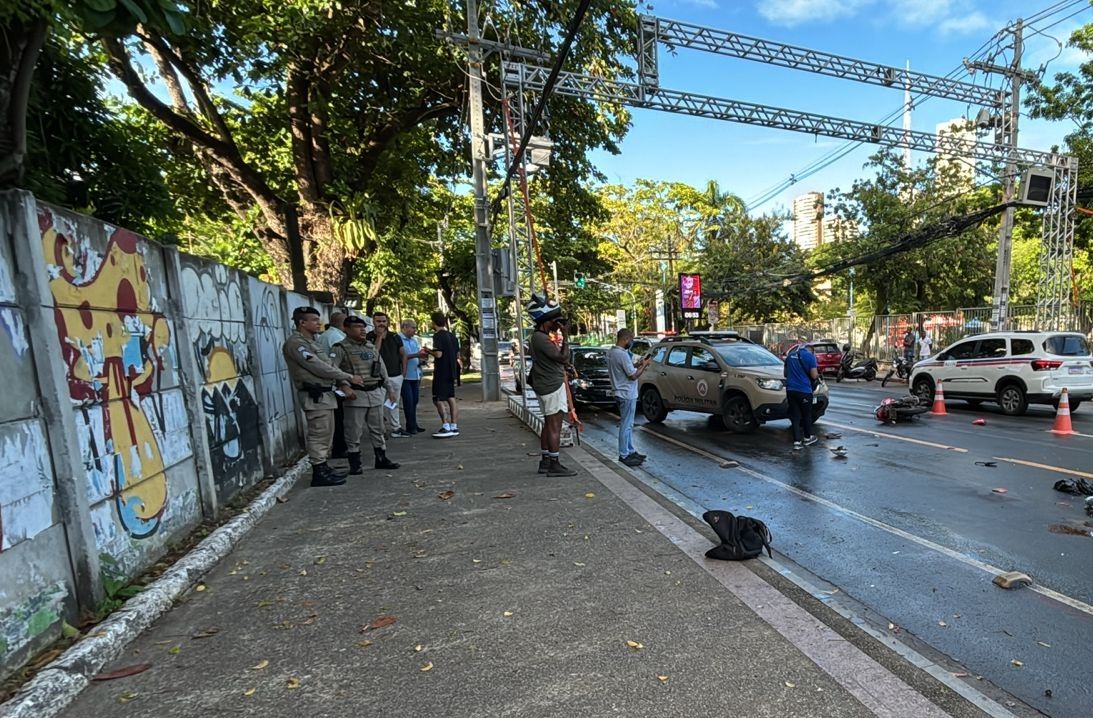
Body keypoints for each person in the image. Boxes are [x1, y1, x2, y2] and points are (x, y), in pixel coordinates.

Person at [282, 307, 364, 487]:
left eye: (318, 319)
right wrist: (348, 377)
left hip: (326, 394)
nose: (318, 323)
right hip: (315, 395)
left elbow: (326, 363)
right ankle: (319, 471)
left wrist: (342, 381)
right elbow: (318, 367)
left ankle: (323, 467)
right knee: (319, 434)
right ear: (302, 323)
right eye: (313, 320)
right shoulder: (297, 344)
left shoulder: (312, 341)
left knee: (327, 433)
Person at [332, 316, 400, 473]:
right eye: (357, 326)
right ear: (346, 329)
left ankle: (381, 458)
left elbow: (381, 369)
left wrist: (389, 389)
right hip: (356, 395)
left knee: (378, 428)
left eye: (363, 327)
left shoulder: (370, 347)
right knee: (353, 430)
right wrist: (343, 385)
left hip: (375, 392)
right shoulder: (340, 348)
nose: (362, 330)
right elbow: (332, 369)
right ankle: (355, 463)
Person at [526, 293, 577, 477]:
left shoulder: (538, 337)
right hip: (552, 385)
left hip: (545, 384)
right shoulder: (541, 338)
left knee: (548, 425)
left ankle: (546, 460)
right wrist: (565, 335)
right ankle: (554, 464)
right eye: (555, 321)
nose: (558, 324)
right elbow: (562, 357)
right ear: (545, 320)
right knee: (554, 426)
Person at [607, 328, 650, 467]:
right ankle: (624, 454)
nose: (631, 342)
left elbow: (626, 368)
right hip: (626, 393)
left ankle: (630, 450)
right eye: (630, 339)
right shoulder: (622, 355)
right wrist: (643, 366)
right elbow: (632, 375)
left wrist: (637, 364)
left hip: (620, 391)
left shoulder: (611, 352)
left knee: (629, 424)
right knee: (626, 425)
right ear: (625, 339)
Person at [369, 312, 407, 438]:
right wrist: (379, 337)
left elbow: (403, 354)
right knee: (378, 405)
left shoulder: (395, 336)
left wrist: (403, 373)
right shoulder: (369, 336)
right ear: (373, 322)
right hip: (378, 377)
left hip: (396, 375)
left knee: (394, 403)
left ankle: (396, 428)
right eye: (378, 321)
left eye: (384, 321)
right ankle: (381, 429)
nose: (381, 324)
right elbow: (374, 353)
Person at [428, 311, 460, 438]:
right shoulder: (452, 336)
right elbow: (457, 354)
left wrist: (429, 351)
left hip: (441, 371)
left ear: (434, 322)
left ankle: (445, 425)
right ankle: (454, 425)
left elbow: (439, 354)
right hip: (452, 370)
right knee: (451, 398)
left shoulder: (437, 336)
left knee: (438, 398)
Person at [784, 339, 819, 451]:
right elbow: (814, 376)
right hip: (804, 390)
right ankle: (808, 438)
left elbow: (785, 373)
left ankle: (796, 442)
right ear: (811, 350)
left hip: (790, 390)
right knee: (806, 415)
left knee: (795, 416)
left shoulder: (790, 356)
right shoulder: (810, 357)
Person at [399, 319, 429, 435]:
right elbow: (402, 356)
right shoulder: (399, 340)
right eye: (413, 328)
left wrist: (421, 359)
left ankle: (414, 423)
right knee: (408, 401)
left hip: (416, 374)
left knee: (415, 400)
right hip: (406, 375)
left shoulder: (414, 340)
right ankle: (410, 426)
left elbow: (417, 355)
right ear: (405, 327)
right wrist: (417, 355)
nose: (414, 330)